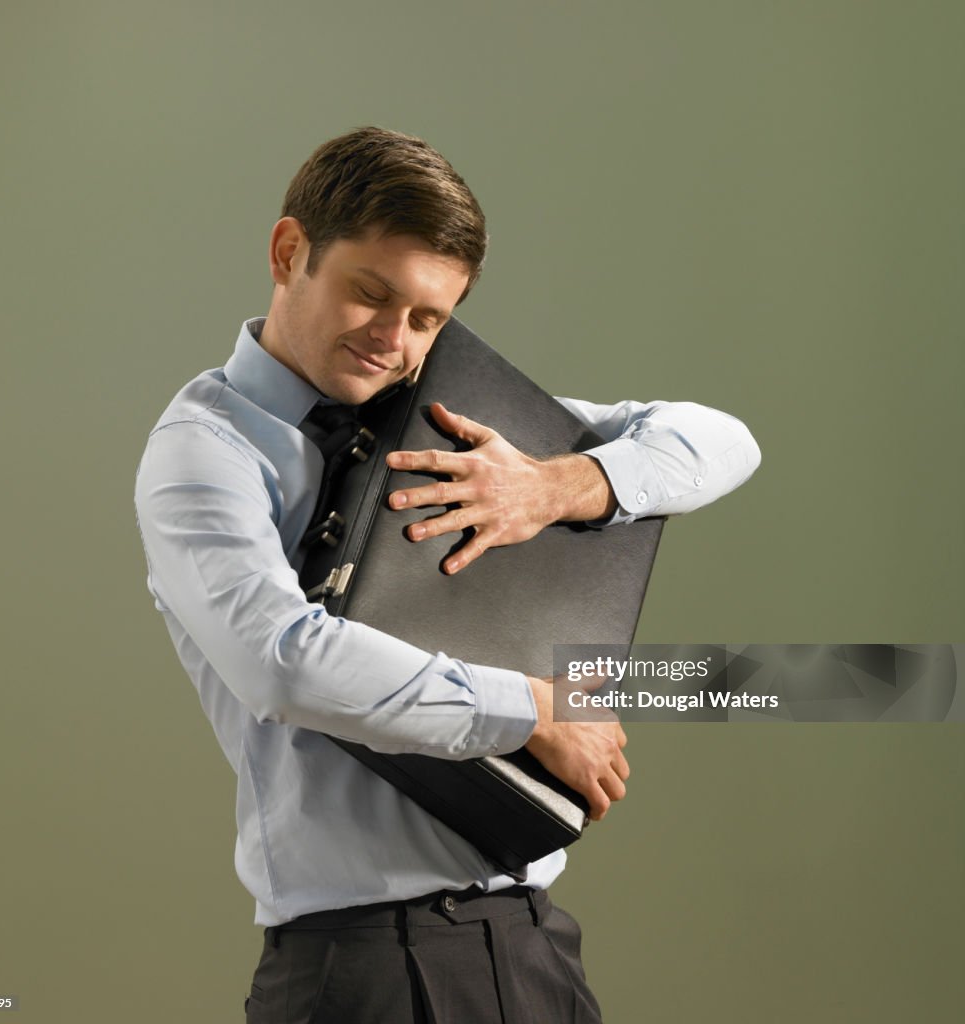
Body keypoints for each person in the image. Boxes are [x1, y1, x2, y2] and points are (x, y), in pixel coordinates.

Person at [134, 126, 761, 1023]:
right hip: (365, 969)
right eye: (370, 295)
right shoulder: (205, 452)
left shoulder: (444, 414)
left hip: (534, 944)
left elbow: (725, 439)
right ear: (288, 252)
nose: (393, 340)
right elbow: (282, 660)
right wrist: (534, 708)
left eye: (428, 318)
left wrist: (557, 485)